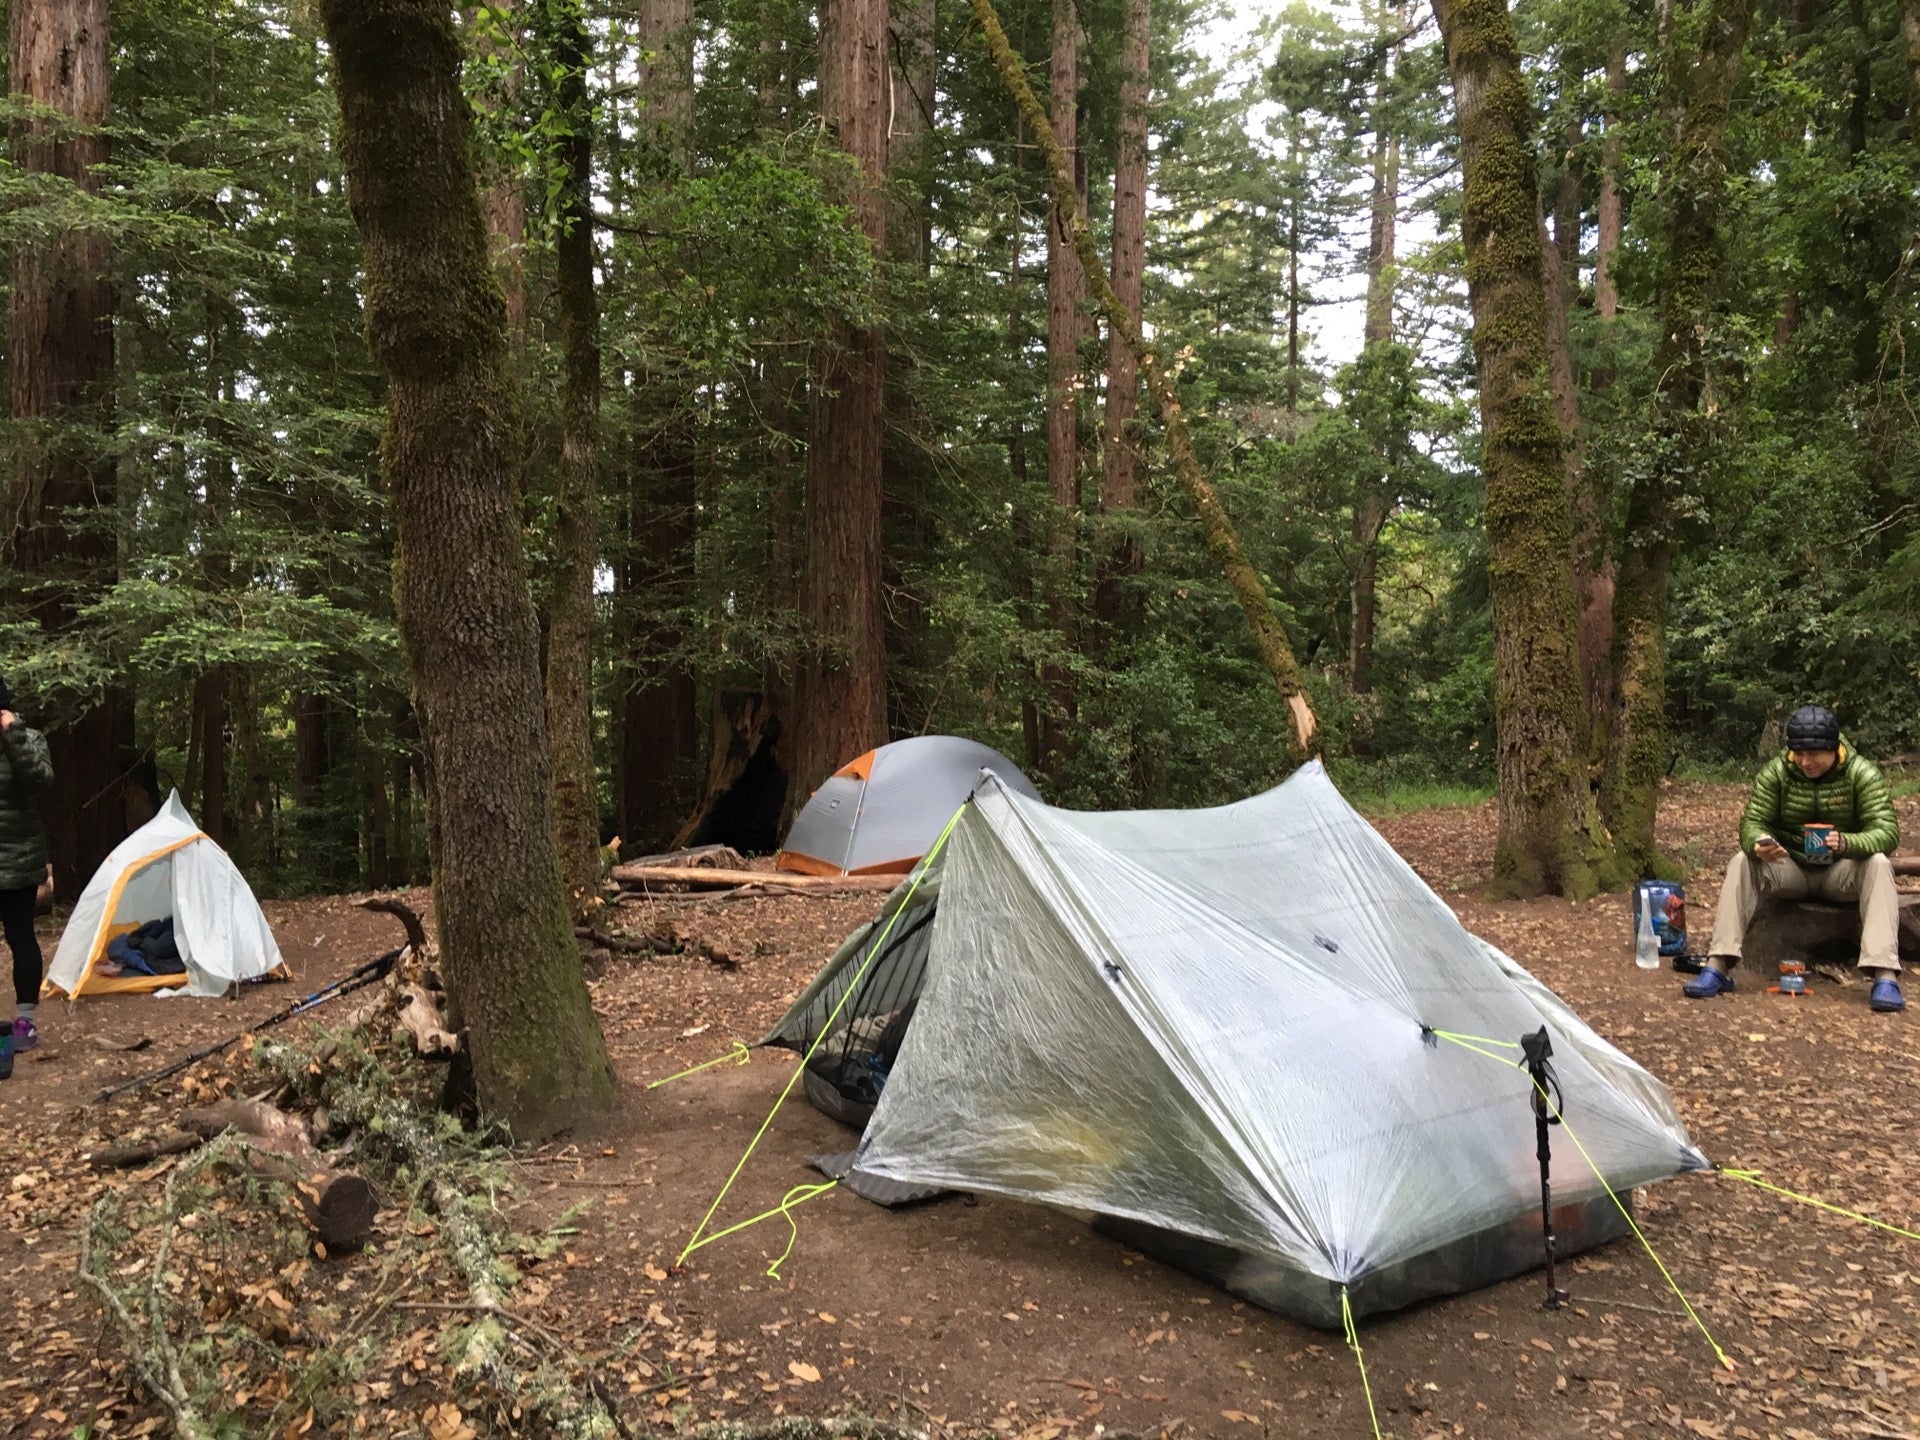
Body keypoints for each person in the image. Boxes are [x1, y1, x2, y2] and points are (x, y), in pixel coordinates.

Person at [1683, 704, 1904, 1011]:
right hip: (1792, 869)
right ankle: (1718, 965)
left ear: (1834, 748)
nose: (1804, 761)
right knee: (1742, 861)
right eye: (1798, 753)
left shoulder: (1861, 773)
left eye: (1813, 754)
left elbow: (1887, 832)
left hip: (1840, 872)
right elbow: (1752, 821)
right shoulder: (1778, 772)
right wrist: (1758, 843)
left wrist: (1846, 842)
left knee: (1879, 864)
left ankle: (1885, 975)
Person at [0, 676, 54, 1078]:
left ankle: (25, 1020)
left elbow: (41, 781)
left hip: (18, 859)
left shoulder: (28, 738)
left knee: (21, 936)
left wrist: (13, 736)